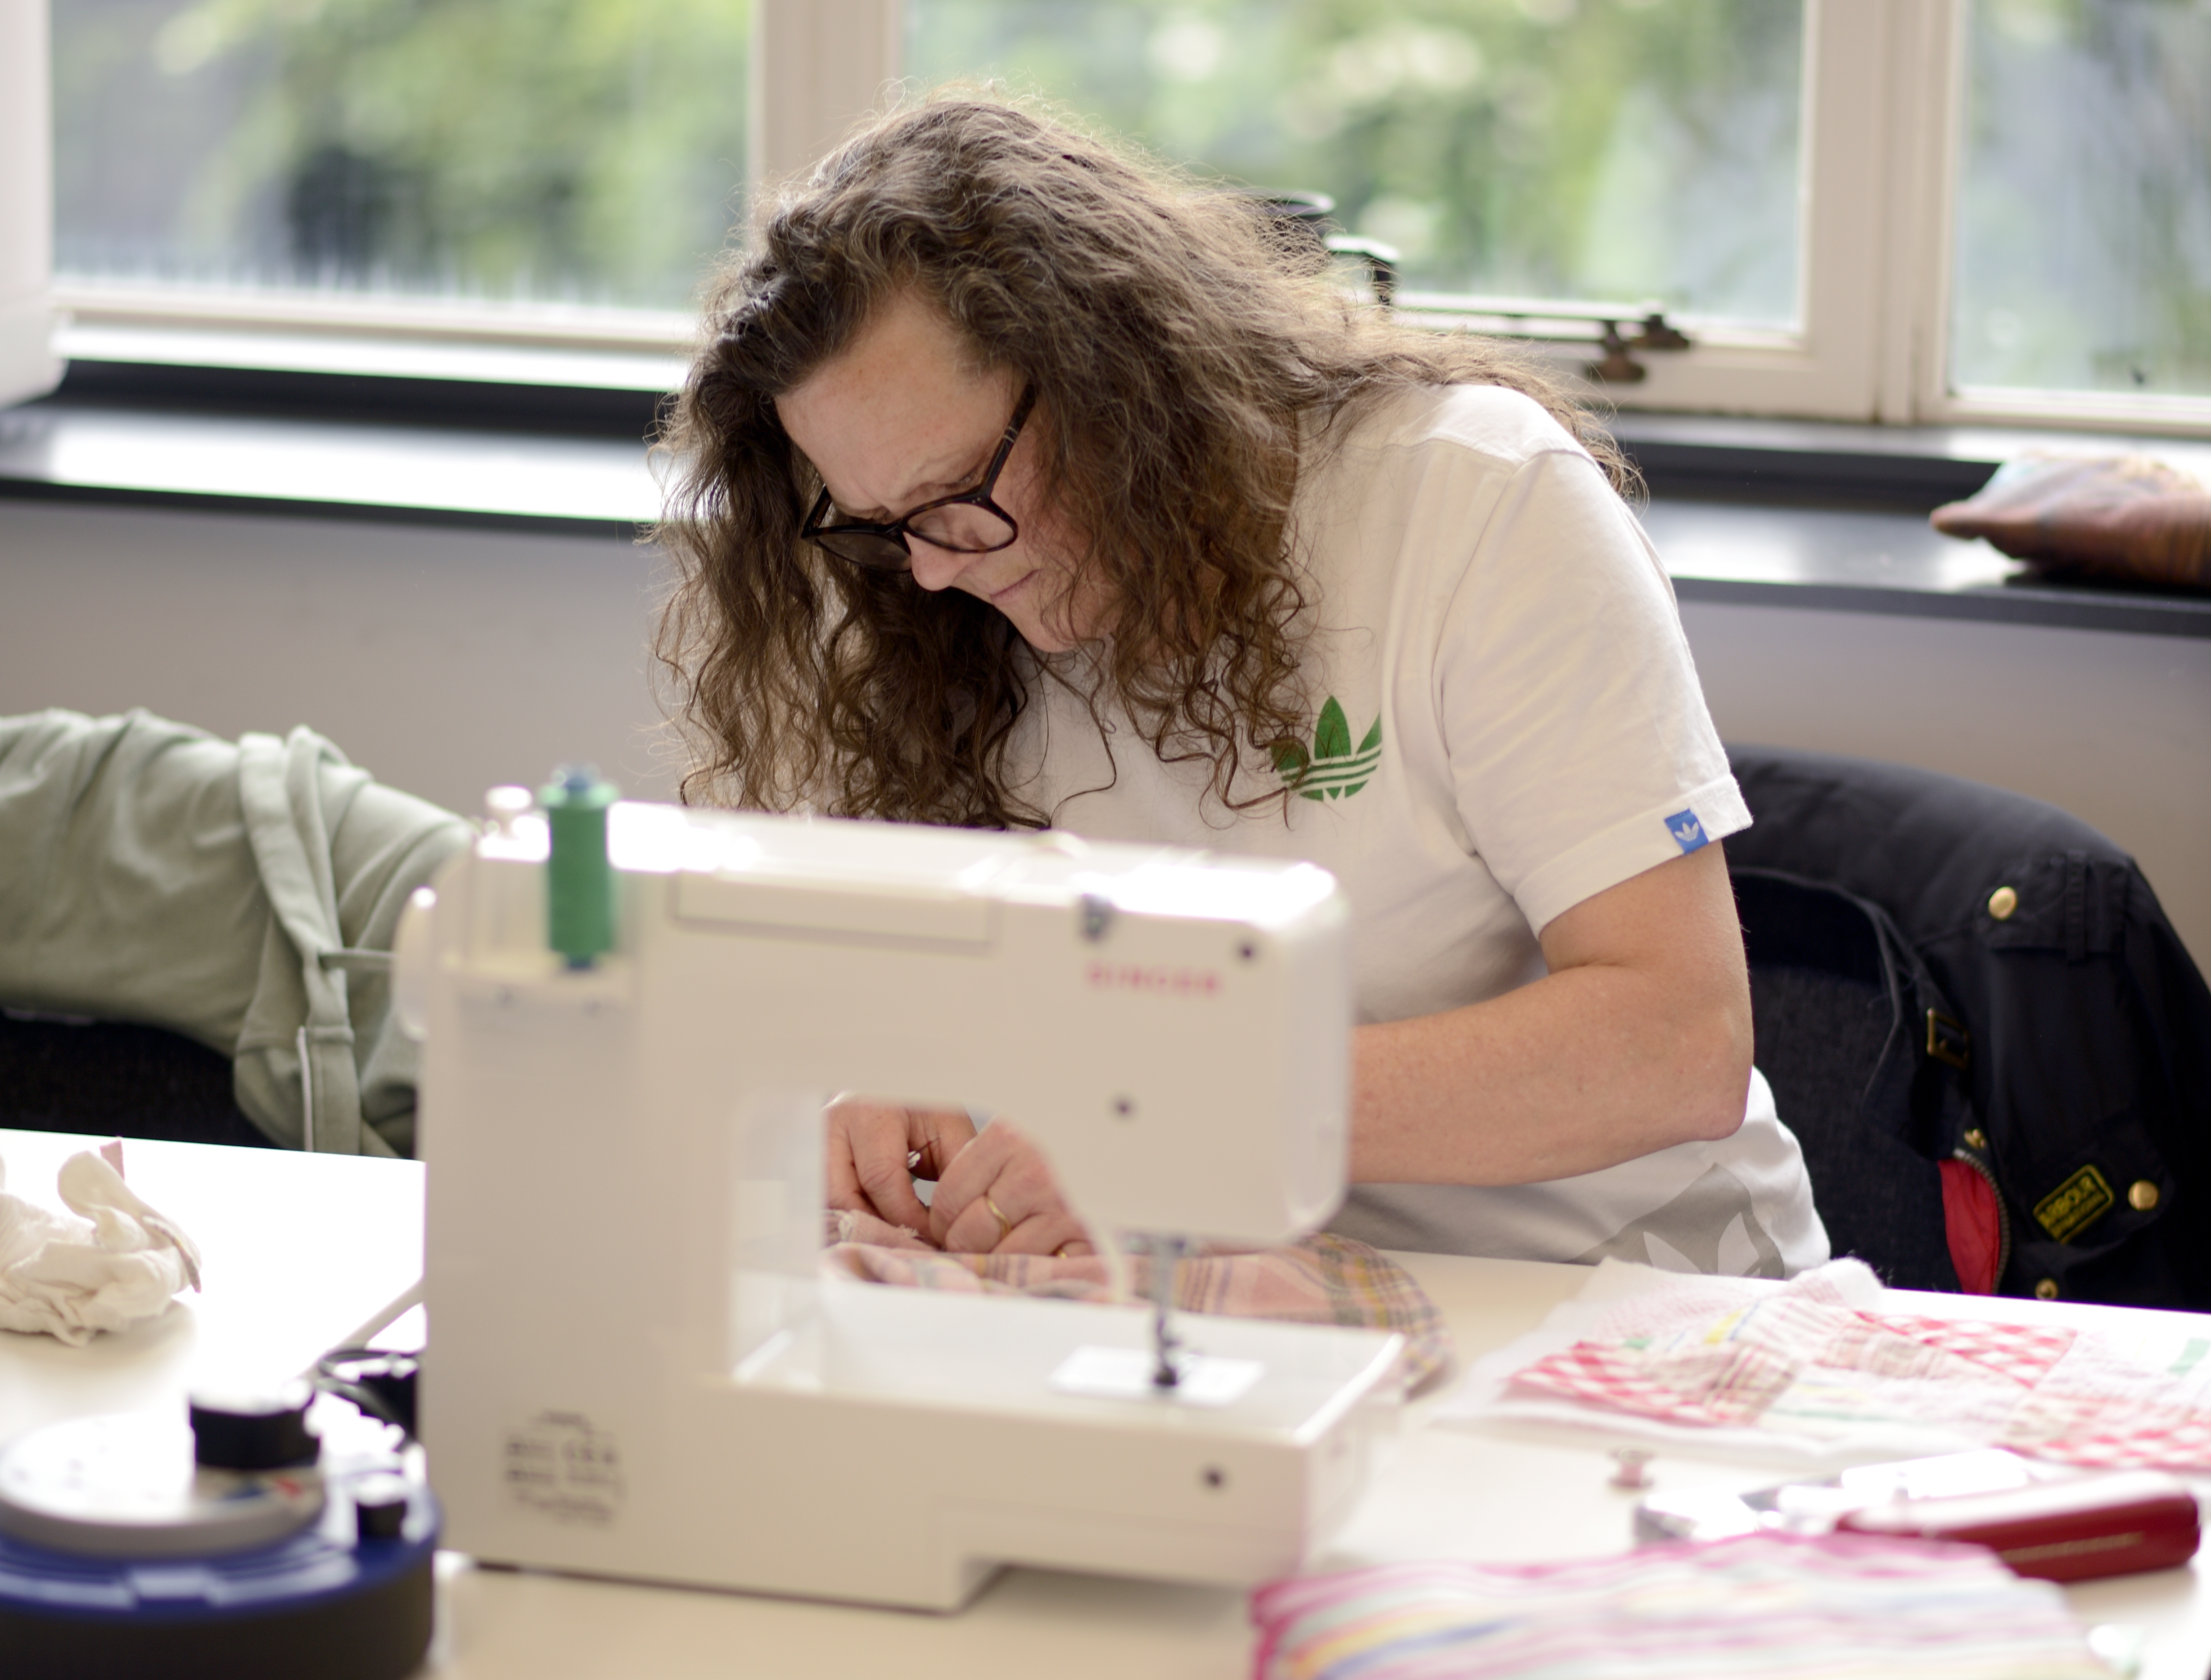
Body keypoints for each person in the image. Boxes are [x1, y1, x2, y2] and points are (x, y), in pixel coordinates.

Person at [657, 95, 1825, 1276]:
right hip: (1230, 1283)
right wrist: (892, 1085)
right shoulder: (929, 584)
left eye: (959, 490)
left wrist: (1184, 1112)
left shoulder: (1473, 502)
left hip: (1603, 1286)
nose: (937, 567)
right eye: (880, 525)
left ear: (1114, 375)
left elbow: (1678, 1043)